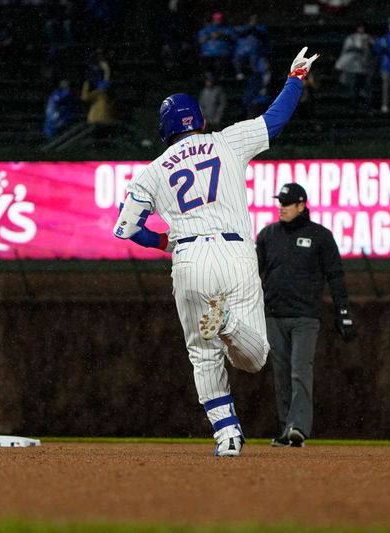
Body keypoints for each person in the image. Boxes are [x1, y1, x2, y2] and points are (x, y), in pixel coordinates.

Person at [112, 47, 319, 457]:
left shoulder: (152, 172)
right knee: (255, 357)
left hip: (188, 259)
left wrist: (163, 242)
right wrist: (295, 78)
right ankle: (225, 324)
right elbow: (274, 121)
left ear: (164, 130)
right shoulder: (225, 141)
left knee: (202, 356)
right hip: (235, 252)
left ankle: (227, 436)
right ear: (200, 120)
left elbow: (125, 228)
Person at [256, 183, 356, 448]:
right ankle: (286, 428)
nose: (281, 208)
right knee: (281, 374)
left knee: (300, 371)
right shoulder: (267, 235)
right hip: (274, 315)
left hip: (305, 317)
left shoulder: (320, 236)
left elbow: (335, 276)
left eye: (287, 204)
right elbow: (254, 275)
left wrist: (343, 311)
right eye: (280, 203)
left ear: (301, 205)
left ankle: (297, 426)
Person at [334, 23, 374, 111]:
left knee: (366, 89)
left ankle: (367, 107)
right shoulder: (351, 38)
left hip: (365, 67)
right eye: (360, 28)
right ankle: (354, 106)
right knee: (354, 88)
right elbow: (347, 50)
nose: (361, 30)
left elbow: (372, 50)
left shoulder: (368, 38)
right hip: (354, 68)